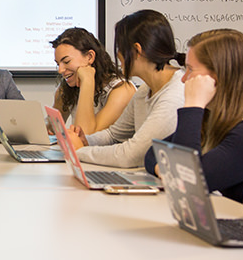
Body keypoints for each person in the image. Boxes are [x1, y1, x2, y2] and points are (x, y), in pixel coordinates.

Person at [145, 29, 243, 203]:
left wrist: (193, 105)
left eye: (190, 70)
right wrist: (166, 170)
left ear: (217, 76)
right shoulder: (218, 117)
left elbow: (188, 183)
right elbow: (153, 153)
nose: (184, 79)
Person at [67, 9, 185, 168]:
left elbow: (130, 156)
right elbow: (114, 135)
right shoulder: (145, 89)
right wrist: (85, 140)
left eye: (120, 49)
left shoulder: (174, 96)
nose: (118, 56)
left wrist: (79, 152)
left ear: (137, 51)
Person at [50, 27, 136, 135]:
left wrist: (87, 81)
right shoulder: (67, 89)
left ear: (90, 57)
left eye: (66, 61)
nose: (60, 70)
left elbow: (85, 136)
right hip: (85, 152)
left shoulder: (122, 90)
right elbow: (51, 127)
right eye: (58, 64)